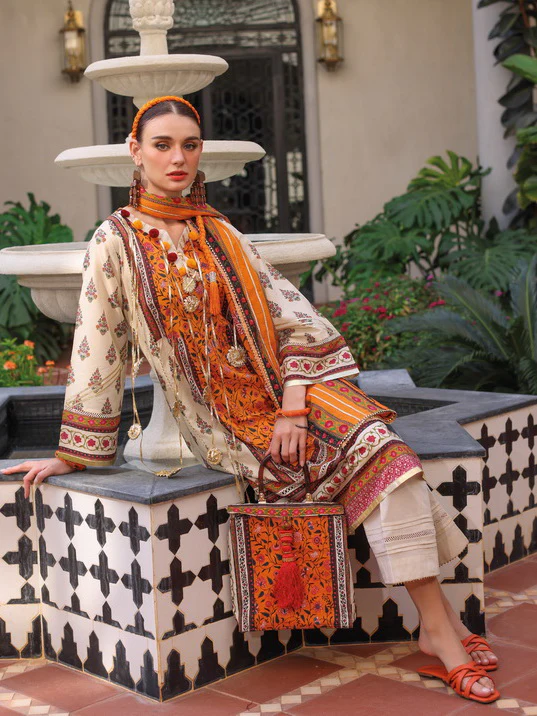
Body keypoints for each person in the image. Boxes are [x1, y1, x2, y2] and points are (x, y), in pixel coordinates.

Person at [1, 96, 499, 703]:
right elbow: (96, 348)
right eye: (162, 145)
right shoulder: (116, 243)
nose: (178, 158)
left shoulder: (220, 232)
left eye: (189, 145)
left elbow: (299, 321)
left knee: (386, 451)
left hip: (287, 393)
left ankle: (437, 626)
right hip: (220, 420)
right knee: (372, 459)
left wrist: (293, 405)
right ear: (136, 152)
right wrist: (73, 454)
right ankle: (442, 629)